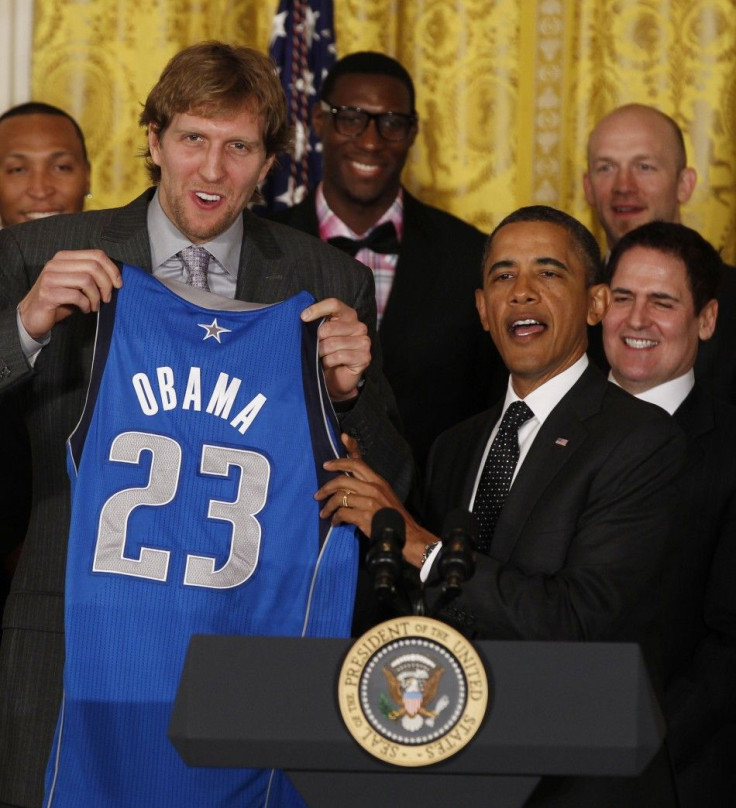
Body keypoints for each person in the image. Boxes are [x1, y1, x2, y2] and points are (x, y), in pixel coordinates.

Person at [0, 42, 412, 808]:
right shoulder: (39, 255)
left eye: (239, 147)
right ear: (154, 142)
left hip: (244, 657)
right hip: (75, 651)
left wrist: (350, 399)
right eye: (193, 139)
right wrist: (22, 327)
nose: (213, 171)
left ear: (268, 163)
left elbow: (390, 486)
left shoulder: (327, 280)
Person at [316, 205, 686, 807]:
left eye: (548, 273)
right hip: (456, 771)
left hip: (582, 783)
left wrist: (420, 544)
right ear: (483, 311)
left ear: (596, 305)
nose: (522, 293)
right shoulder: (454, 447)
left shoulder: (642, 441)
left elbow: (579, 623)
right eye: (503, 277)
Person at [269, 51, 505, 472]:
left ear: (413, 133)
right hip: (280, 511)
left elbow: (492, 406)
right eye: (351, 117)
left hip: (424, 518)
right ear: (319, 123)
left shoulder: (471, 255)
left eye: (392, 122)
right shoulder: (260, 243)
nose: (372, 140)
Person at [602, 220, 736, 808]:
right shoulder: (536, 425)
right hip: (528, 760)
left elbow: (728, 644)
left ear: (705, 320)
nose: (636, 320)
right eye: (623, 297)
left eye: (662, 302)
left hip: (675, 775)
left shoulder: (730, 450)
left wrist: (641, 747)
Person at [0, 102, 90, 635]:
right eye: (16, 168)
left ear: (89, 177)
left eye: (60, 165)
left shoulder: (129, 281)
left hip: (81, 581)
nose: (40, 187)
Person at [583, 103, 736, 402]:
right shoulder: (567, 304)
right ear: (588, 188)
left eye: (644, 167)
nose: (623, 187)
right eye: (606, 167)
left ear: (684, 184)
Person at [0, 101, 90, 227]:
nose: (40, 192)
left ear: (87, 176)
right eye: (18, 170)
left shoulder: (121, 246)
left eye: (61, 168)